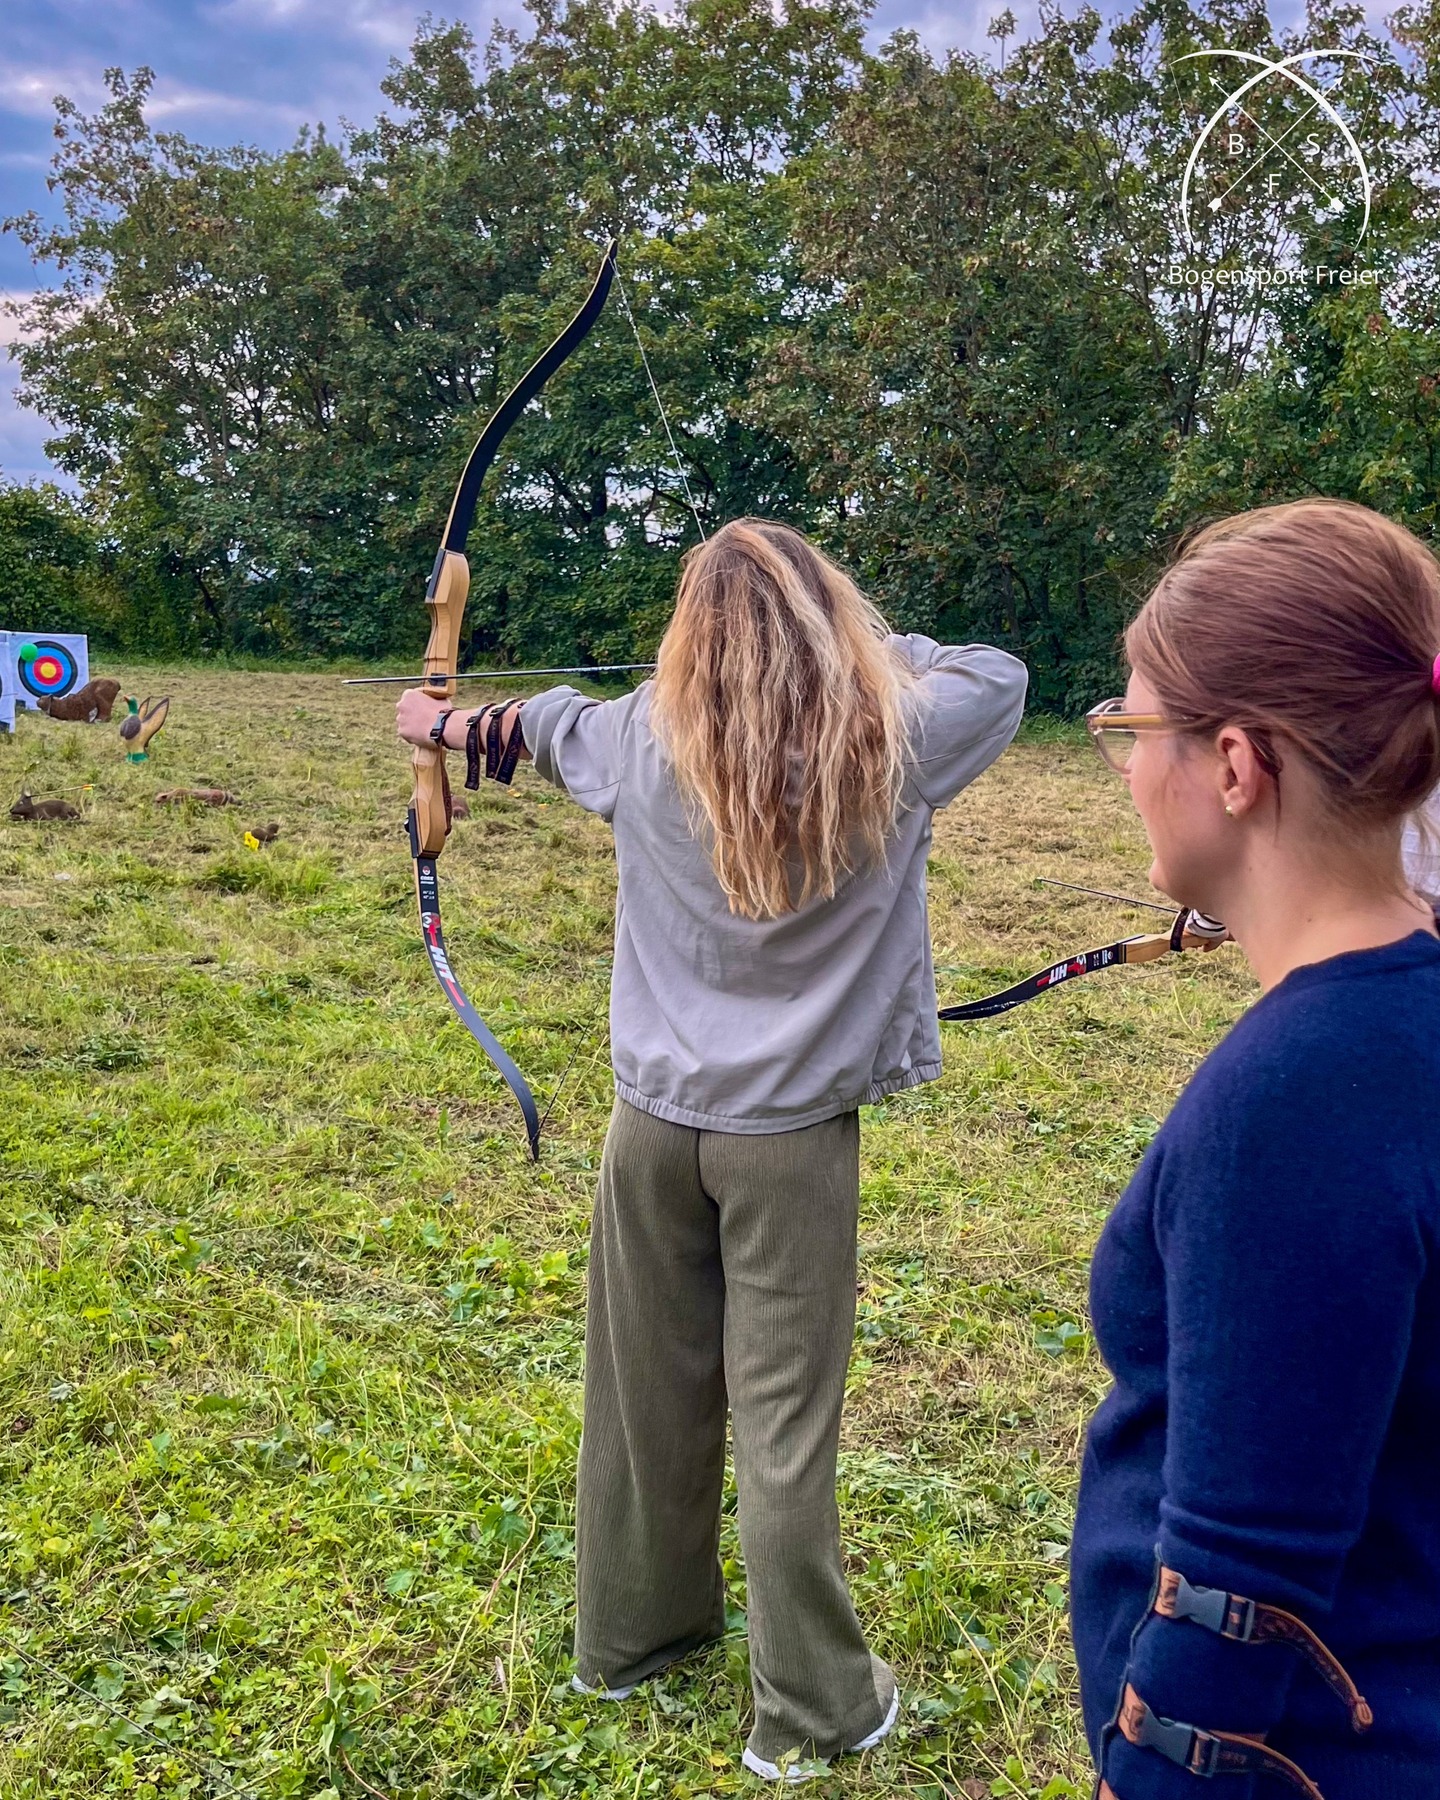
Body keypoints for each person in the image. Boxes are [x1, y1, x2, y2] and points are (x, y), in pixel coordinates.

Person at [397, 518, 1028, 1781]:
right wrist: (860, 656)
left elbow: (535, 725)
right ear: (827, 626)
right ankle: (812, 1714)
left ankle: (629, 1644)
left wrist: (439, 727)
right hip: (788, 1148)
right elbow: (997, 674)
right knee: (783, 1429)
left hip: (650, 1136)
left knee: (643, 1398)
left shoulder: (641, 733)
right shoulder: (891, 736)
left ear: (689, 639)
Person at [1069, 498, 1440, 1800]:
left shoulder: (1297, 1097)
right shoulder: (1402, 1012)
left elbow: (1242, 1596)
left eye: (1134, 732)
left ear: (1235, 766)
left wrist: (1147, 1777)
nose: (1126, 770)